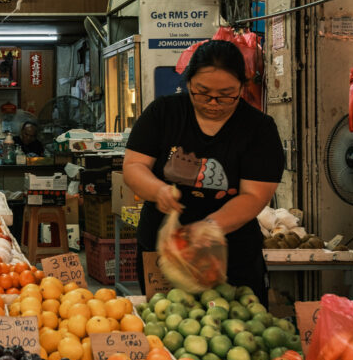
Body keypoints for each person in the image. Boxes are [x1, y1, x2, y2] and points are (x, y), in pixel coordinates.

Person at [121, 40, 283, 301]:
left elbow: (254, 196)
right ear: (188, 83)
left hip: (231, 254)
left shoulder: (258, 129)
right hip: (165, 250)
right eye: (203, 92)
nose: (214, 102)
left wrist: (208, 229)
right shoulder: (163, 114)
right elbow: (133, 166)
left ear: (242, 87)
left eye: (227, 94)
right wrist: (158, 190)